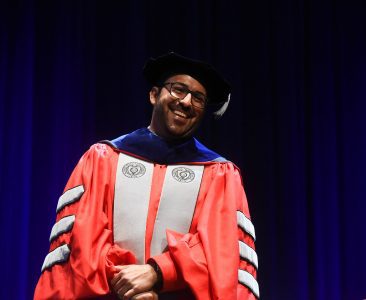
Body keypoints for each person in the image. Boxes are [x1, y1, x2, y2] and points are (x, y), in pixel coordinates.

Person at [34, 52, 259, 300]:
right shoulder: (103, 158)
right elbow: (81, 241)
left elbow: (221, 251)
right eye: (178, 89)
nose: (186, 102)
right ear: (154, 95)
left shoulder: (219, 174)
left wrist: (157, 273)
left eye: (198, 98)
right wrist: (128, 283)